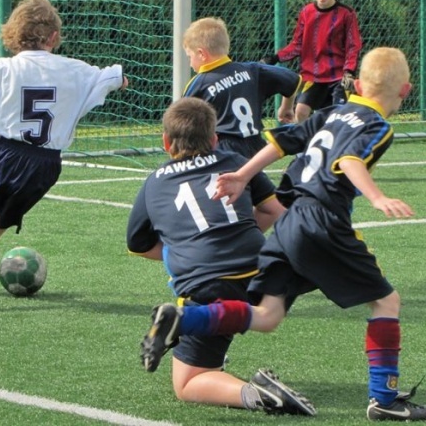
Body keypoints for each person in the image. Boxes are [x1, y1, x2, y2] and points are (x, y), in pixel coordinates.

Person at [140, 48, 426, 422]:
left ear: (357, 85)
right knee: (387, 302)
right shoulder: (377, 125)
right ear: (406, 91)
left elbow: (280, 142)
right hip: (322, 220)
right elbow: (348, 161)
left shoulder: (330, 113)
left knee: (267, 314)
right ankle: (384, 400)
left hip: (289, 221)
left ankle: (185, 320)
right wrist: (377, 197)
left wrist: (243, 174)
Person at [0, 0, 128, 313]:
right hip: (41, 164)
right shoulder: (75, 70)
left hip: (1, 154)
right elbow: (113, 77)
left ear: (14, 35)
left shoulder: (3, 68)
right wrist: (120, 82)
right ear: (55, 37)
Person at [127, 97, 315, 416]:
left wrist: (185, 249)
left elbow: (138, 245)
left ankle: (262, 396)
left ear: (165, 142)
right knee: (262, 311)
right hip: (263, 270)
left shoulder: (153, 183)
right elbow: (273, 211)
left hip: (207, 284)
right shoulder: (234, 160)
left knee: (187, 383)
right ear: (214, 139)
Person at [182, 17, 301, 158]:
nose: (190, 63)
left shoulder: (199, 84)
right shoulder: (252, 70)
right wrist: (286, 107)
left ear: (201, 54)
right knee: (254, 179)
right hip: (255, 146)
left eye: (190, 56)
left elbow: (182, 124)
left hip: (223, 151)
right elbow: (294, 80)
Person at [262, 0, 362, 123]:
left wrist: (349, 71)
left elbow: (353, 46)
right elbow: (297, 44)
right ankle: (307, 146)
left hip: (337, 77)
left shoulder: (346, 14)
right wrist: (274, 58)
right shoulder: (306, 12)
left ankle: (335, 146)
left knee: (337, 118)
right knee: (301, 111)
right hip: (312, 76)